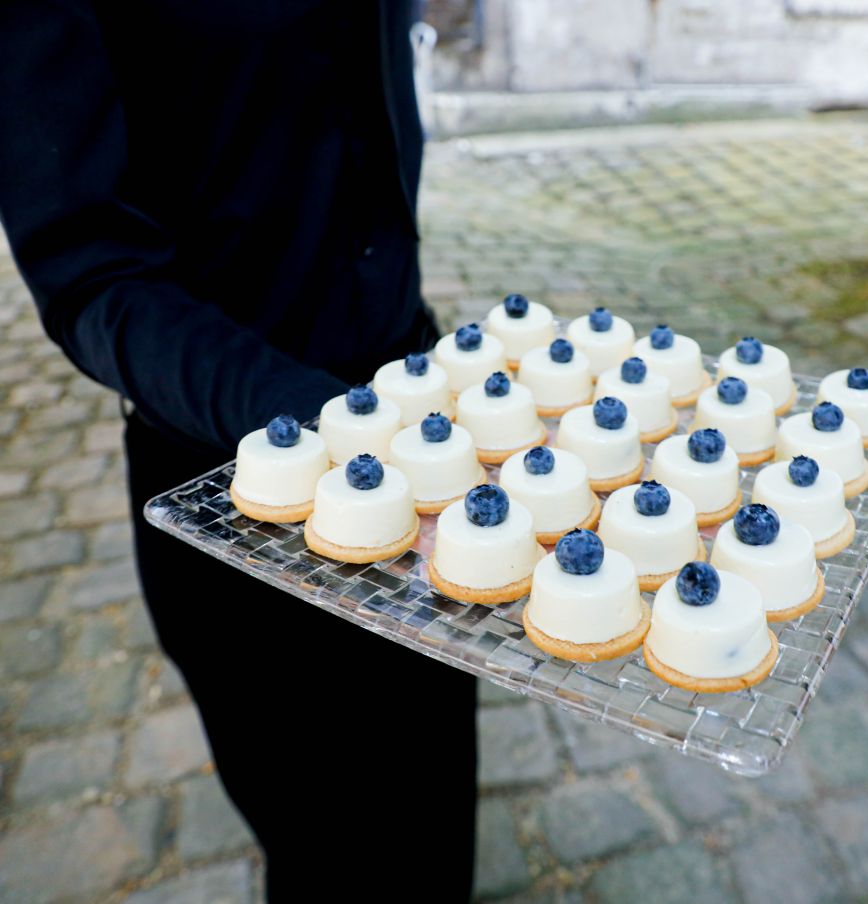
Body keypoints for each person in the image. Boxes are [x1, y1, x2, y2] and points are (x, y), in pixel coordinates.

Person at [0, 2, 477, 899]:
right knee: (329, 857)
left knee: (436, 817)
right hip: (236, 488)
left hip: (421, 438)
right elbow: (91, 274)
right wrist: (322, 425)